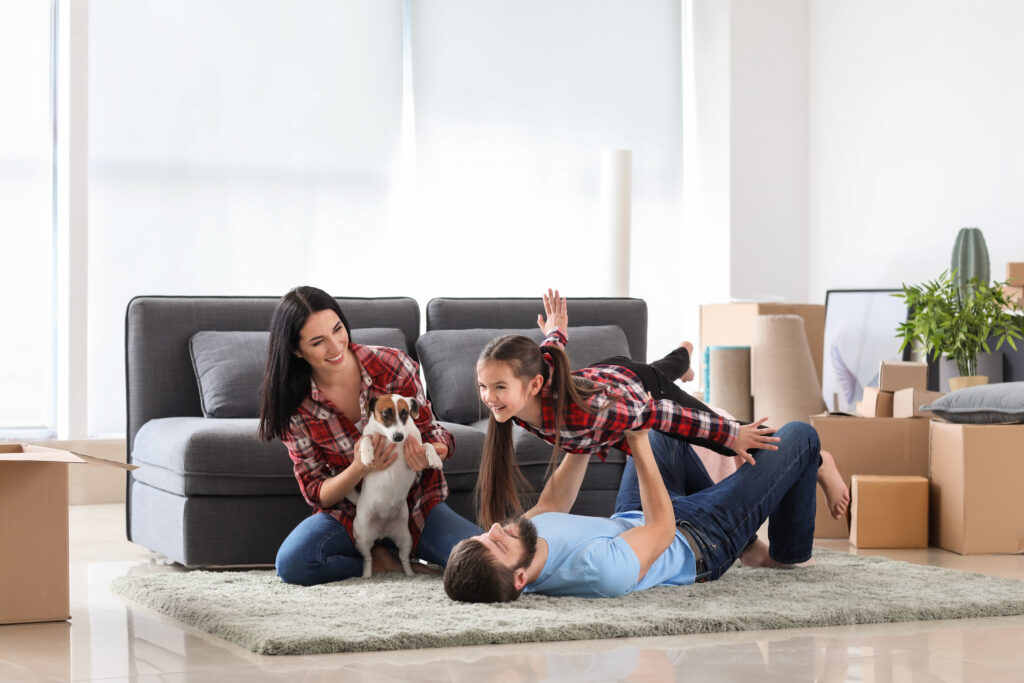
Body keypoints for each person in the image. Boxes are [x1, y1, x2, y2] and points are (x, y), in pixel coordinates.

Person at [474, 289, 850, 528]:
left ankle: (818, 461)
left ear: (534, 386)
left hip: (635, 389)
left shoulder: (595, 411)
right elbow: (548, 351)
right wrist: (556, 329)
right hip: (613, 375)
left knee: (735, 438)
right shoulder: (524, 401)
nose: (490, 397)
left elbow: (660, 416)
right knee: (664, 369)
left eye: (499, 387)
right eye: (483, 387)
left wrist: (731, 433)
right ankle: (683, 356)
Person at [444, 421, 832, 601]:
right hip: (694, 541)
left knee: (666, 430)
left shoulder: (523, 540)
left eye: (483, 534)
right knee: (799, 436)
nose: (495, 528)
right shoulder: (599, 572)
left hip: (632, 518)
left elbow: (551, 505)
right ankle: (787, 556)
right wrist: (637, 440)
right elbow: (662, 529)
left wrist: (582, 442)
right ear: (519, 580)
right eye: (495, 544)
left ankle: (748, 540)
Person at [258, 286, 481, 586]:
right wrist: (359, 468)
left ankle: (408, 549)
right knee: (293, 564)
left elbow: (432, 431)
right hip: (351, 517)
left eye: (338, 329)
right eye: (317, 342)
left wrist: (433, 451)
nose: (336, 346)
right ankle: (379, 562)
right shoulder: (294, 407)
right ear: (297, 351)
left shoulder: (392, 365)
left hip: (414, 508)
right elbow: (315, 490)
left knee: (484, 559)